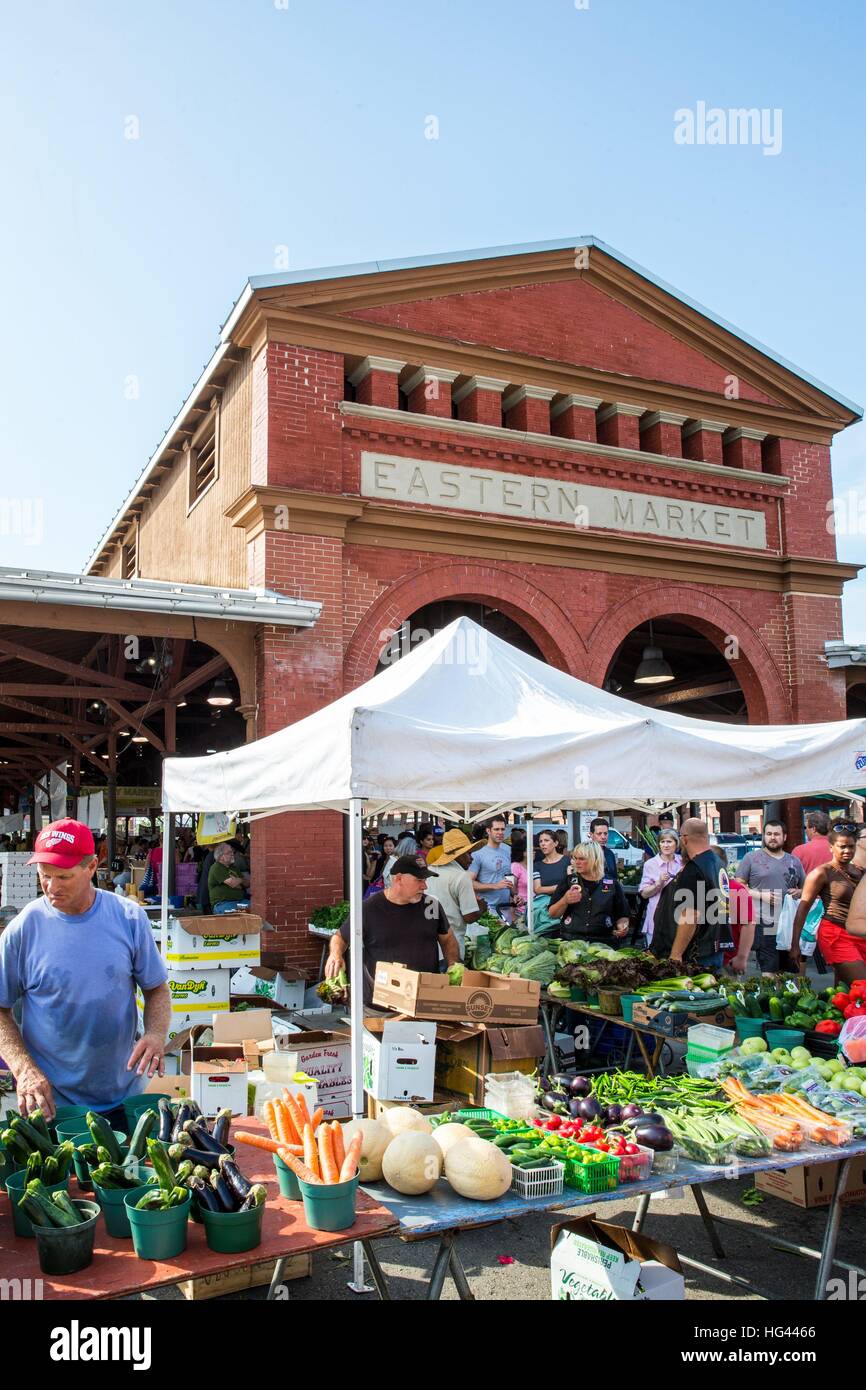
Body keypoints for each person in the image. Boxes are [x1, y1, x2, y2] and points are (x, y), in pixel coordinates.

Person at [0, 819, 170, 1122]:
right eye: (45, 876)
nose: (52, 887)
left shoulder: (129, 918)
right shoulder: (23, 929)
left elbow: (156, 988)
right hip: (51, 1103)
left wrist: (156, 1033)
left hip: (123, 1094)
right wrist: (24, 1069)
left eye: (63, 877)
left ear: (91, 867)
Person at [325, 855, 459, 1005]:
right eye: (419, 880)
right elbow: (340, 937)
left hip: (424, 1000)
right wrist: (335, 954)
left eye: (425, 880)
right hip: (381, 1003)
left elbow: (447, 939)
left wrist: (453, 963)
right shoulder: (369, 908)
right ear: (399, 879)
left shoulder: (431, 905)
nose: (425, 886)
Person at [790, 823, 865, 982]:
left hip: (859, 934)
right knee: (862, 985)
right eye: (842, 846)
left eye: (851, 846)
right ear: (831, 847)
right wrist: (795, 945)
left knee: (844, 991)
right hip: (835, 933)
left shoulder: (860, 871)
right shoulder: (821, 873)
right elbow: (802, 910)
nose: (847, 851)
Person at [660, 818, 733, 971]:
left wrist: (675, 954)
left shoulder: (693, 869)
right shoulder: (718, 863)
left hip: (697, 954)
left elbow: (691, 915)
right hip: (715, 947)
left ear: (684, 839)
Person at [736, 821, 805, 974]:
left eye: (776, 834)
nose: (772, 837)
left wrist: (800, 892)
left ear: (784, 837)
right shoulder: (751, 858)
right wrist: (762, 895)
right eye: (769, 834)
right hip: (764, 922)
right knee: (769, 972)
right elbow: (738, 887)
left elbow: (806, 888)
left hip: (789, 923)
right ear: (764, 836)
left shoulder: (794, 861)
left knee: (787, 973)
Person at [548, 842, 630, 942]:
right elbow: (552, 914)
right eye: (575, 858)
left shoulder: (612, 884)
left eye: (582, 859)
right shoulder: (569, 881)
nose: (577, 862)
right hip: (571, 941)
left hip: (603, 943)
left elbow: (622, 915)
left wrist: (622, 927)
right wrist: (564, 901)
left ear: (594, 859)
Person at [423, 829, 484, 959]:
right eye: (469, 853)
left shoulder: (429, 871)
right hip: (452, 947)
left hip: (427, 945)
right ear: (459, 855)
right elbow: (469, 916)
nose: (471, 858)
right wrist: (481, 908)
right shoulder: (461, 877)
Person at [710, 844, 755, 974]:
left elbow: (748, 924)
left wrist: (742, 957)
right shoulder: (698, 887)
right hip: (702, 957)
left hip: (728, 960)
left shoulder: (737, 889)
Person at [638, 829, 683, 946]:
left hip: (678, 916)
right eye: (662, 842)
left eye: (669, 841)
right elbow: (644, 893)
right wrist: (658, 883)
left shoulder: (683, 862)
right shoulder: (650, 864)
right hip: (656, 917)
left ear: (676, 843)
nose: (666, 845)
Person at [469, 817, 514, 919]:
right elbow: (469, 882)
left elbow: (509, 876)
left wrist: (514, 894)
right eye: (496, 829)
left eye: (502, 829)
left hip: (507, 908)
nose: (500, 832)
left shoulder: (508, 849)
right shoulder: (478, 853)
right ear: (488, 831)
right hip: (488, 909)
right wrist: (494, 886)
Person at [208, 841, 250, 912]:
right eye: (229, 853)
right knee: (235, 916)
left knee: (257, 909)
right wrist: (240, 881)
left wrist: (239, 880)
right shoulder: (216, 867)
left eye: (232, 852)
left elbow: (248, 884)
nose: (232, 854)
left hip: (240, 901)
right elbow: (233, 884)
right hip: (223, 903)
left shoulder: (233, 867)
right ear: (221, 857)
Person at [532, 829, 568, 902]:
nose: (543, 844)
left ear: (556, 843)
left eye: (546, 840)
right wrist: (561, 887)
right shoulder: (537, 865)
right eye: (540, 841)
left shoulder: (567, 861)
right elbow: (537, 889)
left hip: (566, 905)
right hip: (545, 907)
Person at [792, 810, 833, 875]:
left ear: (813, 829)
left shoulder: (799, 851)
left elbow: (792, 878)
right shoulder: (837, 849)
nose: (806, 830)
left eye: (806, 827)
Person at [510, 828, 529, 916]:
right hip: (521, 910)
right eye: (530, 850)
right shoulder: (515, 866)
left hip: (533, 908)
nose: (534, 852)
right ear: (523, 852)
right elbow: (512, 891)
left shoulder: (533, 866)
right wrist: (513, 915)